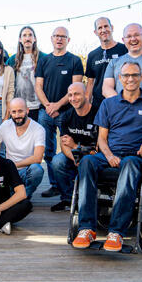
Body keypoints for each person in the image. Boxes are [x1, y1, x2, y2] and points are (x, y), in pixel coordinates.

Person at [71, 61, 142, 252]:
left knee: (130, 163)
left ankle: (116, 231)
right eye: (126, 75)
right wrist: (108, 155)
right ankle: (86, 228)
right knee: (86, 162)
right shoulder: (109, 103)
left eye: (135, 75)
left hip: (136, 157)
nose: (130, 79)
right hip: (110, 155)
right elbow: (101, 139)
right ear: (120, 78)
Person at [34, 27, 84, 198]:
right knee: (48, 150)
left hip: (67, 113)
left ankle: (69, 188)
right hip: (45, 112)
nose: (59, 39)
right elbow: (38, 86)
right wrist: (48, 105)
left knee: (67, 147)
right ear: (51, 38)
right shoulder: (43, 60)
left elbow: (75, 89)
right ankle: (55, 184)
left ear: (68, 40)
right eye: (56, 36)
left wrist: (57, 105)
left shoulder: (75, 61)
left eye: (63, 36)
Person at [49, 82, 99, 212]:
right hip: (75, 155)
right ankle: (68, 199)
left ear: (86, 95)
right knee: (57, 161)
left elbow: (99, 148)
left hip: (94, 157)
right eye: (70, 95)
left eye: (76, 94)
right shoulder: (67, 116)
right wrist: (75, 158)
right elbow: (64, 144)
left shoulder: (98, 114)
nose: (73, 98)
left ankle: (86, 199)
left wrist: (75, 146)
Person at [0, 98, 45, 199]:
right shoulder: (5, 126)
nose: (17, 115)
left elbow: (38, 158)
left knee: (37, 170)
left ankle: (22, 197)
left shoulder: (38, 129)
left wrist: (13, 165)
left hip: (26, 171)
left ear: (27, 110)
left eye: (20, 111)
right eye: (14, 112)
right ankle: (16, 197)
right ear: (10, 112)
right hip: (8, 172)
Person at [85, 17, 128, 107]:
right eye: (100, 28)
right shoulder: (92, 55)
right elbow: (90, 83)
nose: (103, 30)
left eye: (106, 26)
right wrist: (88, 104)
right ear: (95, 32)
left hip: (121, 102)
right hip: (98, 105)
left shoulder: (124, 49)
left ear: (112, 28)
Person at [6, 26, 46, 121]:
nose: (27, 38)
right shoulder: (12, 60)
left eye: (30, 35)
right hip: (19, 107)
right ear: (20, 39)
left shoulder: (43, 58)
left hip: (38, 106)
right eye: (24, 35)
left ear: (34, 39)